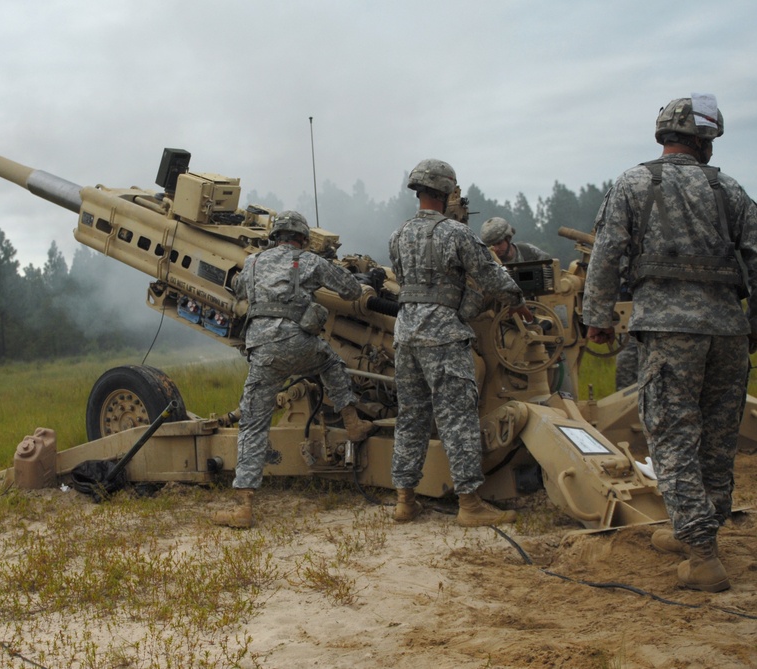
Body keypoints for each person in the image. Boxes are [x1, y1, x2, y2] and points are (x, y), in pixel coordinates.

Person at [583, 94, 757, 592]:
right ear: (703, 140)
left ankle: (702, 556)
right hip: (728, 330)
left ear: (664, 134)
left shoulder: (633, 183)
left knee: (673, 437)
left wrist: (596, 318)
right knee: (718, 439)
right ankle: (699, 534)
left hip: (667, 330)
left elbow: (608, 253)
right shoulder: (730, 190)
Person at [389, 159, 532, 526]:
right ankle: (470, 505)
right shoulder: (456, 233)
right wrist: (517, 300)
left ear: (419, 191)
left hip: (405, 334)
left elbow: (405, 280)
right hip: (443, 335)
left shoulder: (399, 234)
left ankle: (404, 500)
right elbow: (488, 273)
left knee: (412, 417)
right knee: (457, 418)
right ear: (447, 192)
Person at [212, 211, 374, 529]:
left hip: (263, 352)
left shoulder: (253, 262)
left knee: (253, 426)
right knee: (331, 362)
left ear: (275, 237)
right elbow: (351, 291)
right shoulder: (308, 260)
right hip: (299, 343)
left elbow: (240, 290)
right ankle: (353, 423)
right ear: (301, 238)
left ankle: (244, 507)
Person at [479, 217, 551, 264]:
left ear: (508, 238)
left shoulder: (526, 251)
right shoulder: (490, 263)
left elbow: (546, 259)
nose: (496, 249)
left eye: (499, 243)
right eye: (492, 246)